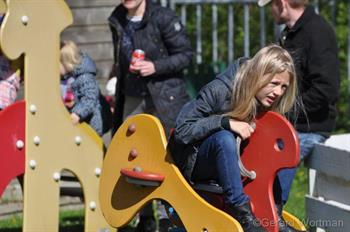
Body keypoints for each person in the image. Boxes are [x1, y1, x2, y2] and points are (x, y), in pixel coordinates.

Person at [168, 45, 297, 232]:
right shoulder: (220, 89)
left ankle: (275, 213)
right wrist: (225, 122)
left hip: (235, 162)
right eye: (274, 83)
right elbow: (181, 131)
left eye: (283, 86)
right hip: (197, 162)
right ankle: (242, 214)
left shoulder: (266, 100)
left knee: (284, 140)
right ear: (258, 75)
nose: (278, 92)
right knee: (223, 137)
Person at [108, 0, 193, 231]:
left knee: (170, 158)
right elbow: (120, 59)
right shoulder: (116, 18)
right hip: (133, 97)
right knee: (133, 156)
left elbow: (186, 55)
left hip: (166, 99)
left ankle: (173, 216)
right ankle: (145, 217)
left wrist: (155, 66)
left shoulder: (163, 17)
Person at [258, 1, 340, 231]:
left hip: (308, 127)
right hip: (287, 125)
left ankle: (272, 218)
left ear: (282, 3)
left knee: (270, 183)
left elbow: (326, 90)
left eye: (271, 5)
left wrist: (283, 110)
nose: (270, 11)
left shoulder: (317, 32)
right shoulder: (290, 34)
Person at [60, 40, 105, 136]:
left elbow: (90, 98)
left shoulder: (85, 77)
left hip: (90, 125)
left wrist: (77, 113)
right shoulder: (67, 77)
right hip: (76, 125)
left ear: (66, 63)